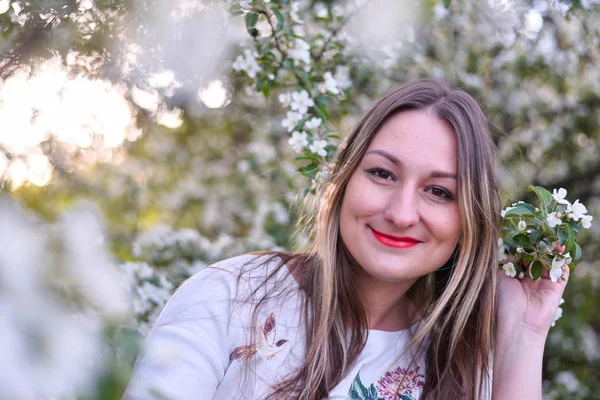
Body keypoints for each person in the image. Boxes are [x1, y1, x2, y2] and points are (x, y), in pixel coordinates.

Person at [123, 80, 568, 400]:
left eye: (439, 192)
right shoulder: (230, 297)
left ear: (469, 220)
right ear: (343, 180)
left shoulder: (458, 367)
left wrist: (525, 334)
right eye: (381, 173)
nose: (400, 213)